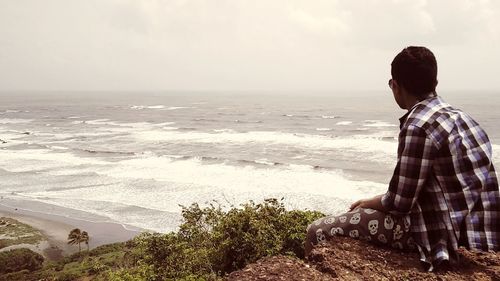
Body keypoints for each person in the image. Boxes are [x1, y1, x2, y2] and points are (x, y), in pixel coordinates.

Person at [305, 46, 499, 271]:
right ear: (434, 82)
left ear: (396, 85)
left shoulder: (418, 125)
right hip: (477, 233)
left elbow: (400, 203)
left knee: (317, 230)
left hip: (437, 234)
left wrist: (369, 202)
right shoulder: (463, 119)